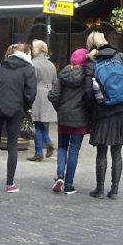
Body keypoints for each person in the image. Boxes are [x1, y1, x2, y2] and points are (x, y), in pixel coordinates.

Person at [86, 31, 123, 199]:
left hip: (103, 112)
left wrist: (92, 110)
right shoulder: (120, 57)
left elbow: (89, 92)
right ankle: (115, 189)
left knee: (101, 152)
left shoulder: (93, 62)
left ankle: (100, 189)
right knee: (117, 151)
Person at [0, 43, 37, 193]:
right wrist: (24, 107)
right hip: (16, 110)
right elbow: (31, 93)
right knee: (12, 145)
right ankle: (10, 183)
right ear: (26, 54)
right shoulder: (28, 70)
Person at [50, 48, 94, 195]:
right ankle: (69, 184)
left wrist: (60, 108)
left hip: (64, 116)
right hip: (80, 118)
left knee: (62, 147)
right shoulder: (87, 77)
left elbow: (54, 94)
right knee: (74, 150)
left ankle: (60, 175)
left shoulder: (63, 74)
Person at [28, 40, 57, 162]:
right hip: (48, 94)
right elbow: (55, 81)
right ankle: (47, 143)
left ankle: (39, 151)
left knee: (36, 122)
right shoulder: (51, 65)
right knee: (40, 123)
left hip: (37, 94)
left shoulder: (33, 64)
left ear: (36, 50)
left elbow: (30, 82)